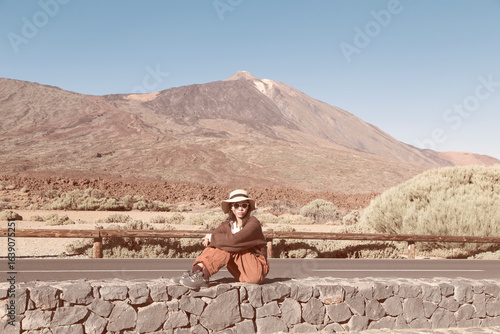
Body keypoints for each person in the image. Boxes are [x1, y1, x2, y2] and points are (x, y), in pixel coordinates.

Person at [172, 189, 270, 289]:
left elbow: (234, 241)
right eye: (236, 205)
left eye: (244, 205)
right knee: (221, 243)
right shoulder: (228, 225)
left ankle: (205, 276)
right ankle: (195, 272)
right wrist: (212, 237)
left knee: (227, 245)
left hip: (256, 269)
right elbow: (216, 234)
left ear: (248, 207)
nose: (240, 209)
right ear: (232, 207)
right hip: (241, 271)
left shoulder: (253, 223)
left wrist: (210, 237)